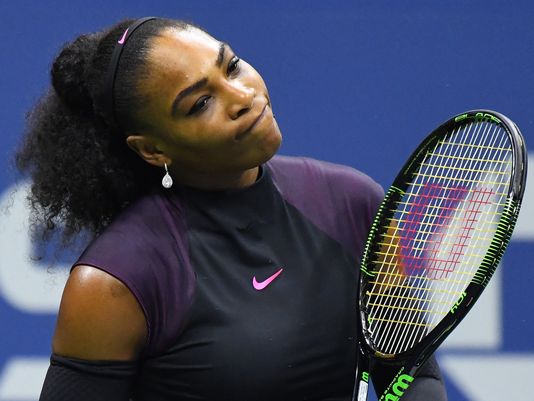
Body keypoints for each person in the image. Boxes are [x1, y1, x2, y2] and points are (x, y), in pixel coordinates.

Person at [15, 17, 447, 401]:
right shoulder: (115, 282)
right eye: (200, 103)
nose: (243, 96)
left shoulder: (353, 203)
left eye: (231, 65)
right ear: (152, 149)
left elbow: (409, 377)